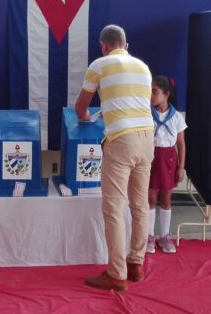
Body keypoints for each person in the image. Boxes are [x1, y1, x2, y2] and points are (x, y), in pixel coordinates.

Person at [75, 24, 155, 292]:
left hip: (121, 140)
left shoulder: (99, 64)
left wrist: (84, 117)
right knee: (139, 206)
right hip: (147, 139)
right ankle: (136, 264)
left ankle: (116, 273)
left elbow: (80, 107)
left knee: (113, 209)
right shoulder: (143, 66)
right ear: (126, 45)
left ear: (104, 46)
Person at [147, 75, 187, 254]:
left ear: (166, 94)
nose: (151, 95)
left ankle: (164, 236)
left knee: (166, 198)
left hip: (169, 159)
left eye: (154, 92)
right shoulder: (147, 114)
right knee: (150, 198)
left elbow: (181, 144)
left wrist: (181, 167)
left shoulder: (176, 117)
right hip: (151, 157)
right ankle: (148, 236)